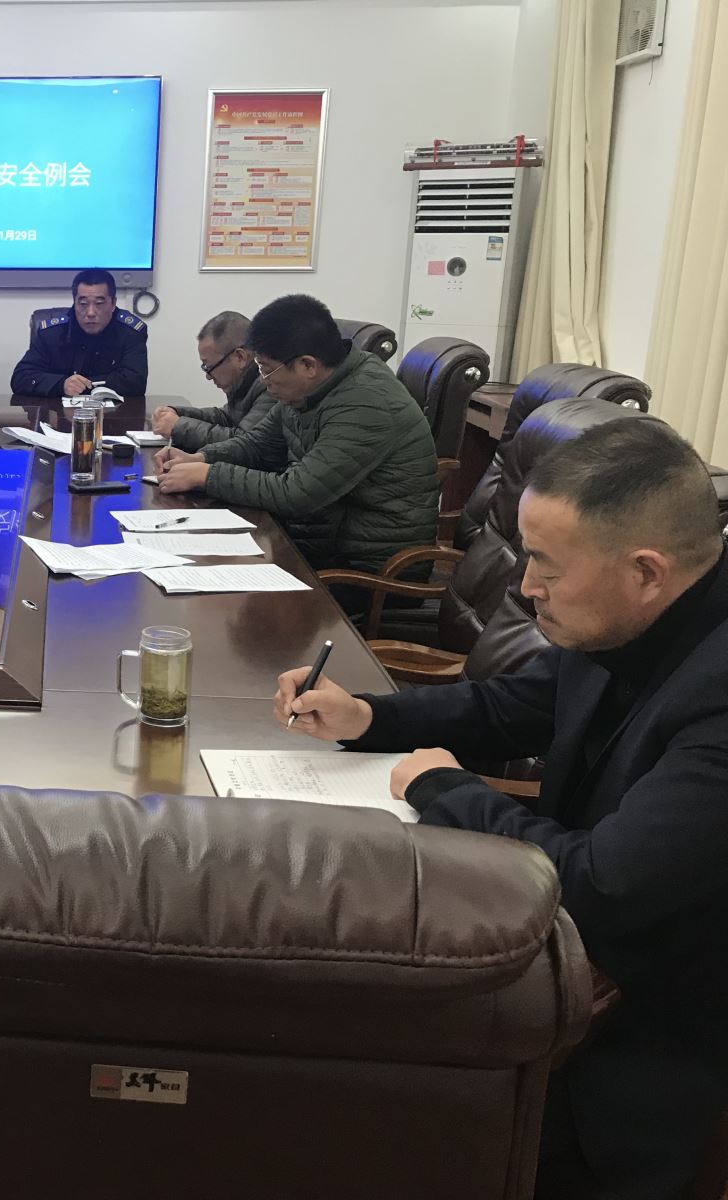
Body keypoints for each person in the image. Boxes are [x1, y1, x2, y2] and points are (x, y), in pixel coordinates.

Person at [274, 417, 728, 1200]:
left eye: (546, 565)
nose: (524, 587)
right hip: (560, 953)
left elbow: (604, 886)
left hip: (633, 1045)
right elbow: (508, 706)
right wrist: (369, 717)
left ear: (645, 571)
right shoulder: (632, 617)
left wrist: (447, 789)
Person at [154, 294, 437, 588]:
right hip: (320, 541)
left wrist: (208, 476)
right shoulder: (310, 389)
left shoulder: (366, 403)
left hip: (368, 571)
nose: (263, 380)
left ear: (307, 365)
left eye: (266, 369)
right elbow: (258, 444)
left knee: (215, 589)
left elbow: (297, 494)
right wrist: (201, 458)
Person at [9, 268, 149, 398]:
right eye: (83, 304)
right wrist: (62, 384)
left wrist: (84, 386)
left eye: (99, 304)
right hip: (58, 414)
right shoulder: (51, 333)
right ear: (74, 303)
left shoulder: (130, 333)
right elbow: (21, 378)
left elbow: (135, 382)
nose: (91, 312)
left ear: (113, 304)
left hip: (114, 414)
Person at [148, 310, 275, 451]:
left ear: (240, 357)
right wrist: (177, 413)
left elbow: (244, 443)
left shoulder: (271, 385)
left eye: (209, 367)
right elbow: (226, 418)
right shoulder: (245, 381)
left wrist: (178, 426)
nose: (208, 376)